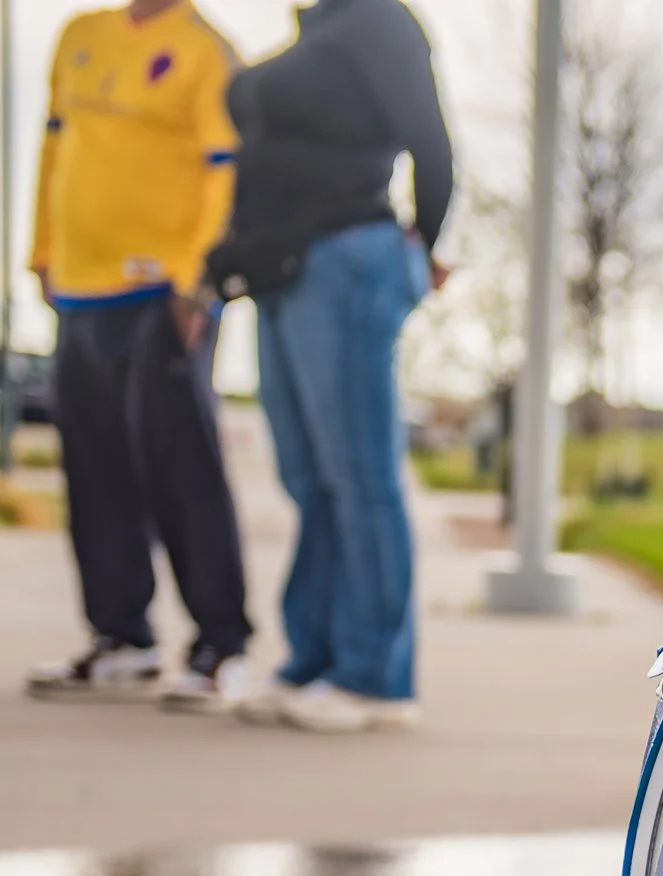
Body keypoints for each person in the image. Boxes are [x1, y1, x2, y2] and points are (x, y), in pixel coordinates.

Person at [211, 0, 453, 733]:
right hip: (281, 272)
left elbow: (431, 144)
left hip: (349, 260)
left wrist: (423, 243)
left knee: (360, 477)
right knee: (309, 480)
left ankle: (376, 680)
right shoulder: (314, 33)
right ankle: (311, 661)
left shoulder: (381, 20)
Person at [23, 0, 253, 709]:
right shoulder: (79, 35)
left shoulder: (205, 49)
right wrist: (42, 253)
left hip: (162, 296)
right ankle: (121, 635)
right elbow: (56, 146)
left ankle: (221, 644)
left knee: (181, 469)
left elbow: (226, 173)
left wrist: (195, 280)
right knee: (93, 471)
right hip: (80, 291)